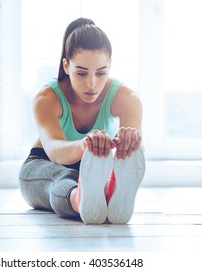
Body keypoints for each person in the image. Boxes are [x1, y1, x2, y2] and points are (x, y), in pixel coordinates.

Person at [19, 17, 145, 224]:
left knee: (99, 180)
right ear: (66, 66)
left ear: (110, 66)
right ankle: (81, 199)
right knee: (63, 181)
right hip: (44, 164)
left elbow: (132, 159)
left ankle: (108, 192)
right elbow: (54, 151)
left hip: (95, 168)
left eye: (101, 73)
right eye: (81, 73)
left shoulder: (127, 99)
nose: (92, 84)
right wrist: (85, 144)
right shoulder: (47, 98)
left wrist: (130, 142)